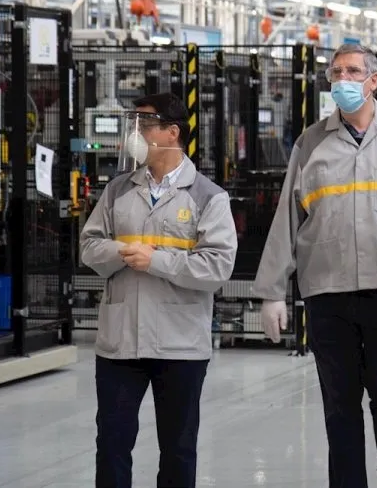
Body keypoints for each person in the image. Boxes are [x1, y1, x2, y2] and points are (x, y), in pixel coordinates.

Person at [252, 43, 377, 488]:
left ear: (374, 81)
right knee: (339, 402)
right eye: (336, 74)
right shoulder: (310, 142)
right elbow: (288, 216)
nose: (343, 81)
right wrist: (273, 290)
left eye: (353, 72)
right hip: (328, 295)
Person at [79, 92, 238, 488]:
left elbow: (217, 266)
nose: (136, 135)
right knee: (112, 445)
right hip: (120, 344)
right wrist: (121, 251)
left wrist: (157, 260)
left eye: (145, 125)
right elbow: (89, 247)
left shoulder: (208, 196)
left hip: (179, 344)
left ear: (172, 132)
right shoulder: (117, 190)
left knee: (178, 447)